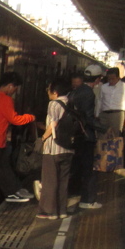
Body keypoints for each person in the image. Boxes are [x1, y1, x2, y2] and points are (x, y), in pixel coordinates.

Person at [0, 71, 35, 203]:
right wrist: (31, 117)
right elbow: (14, 119)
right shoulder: (5, 99)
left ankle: (13, 190)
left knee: (3, 167)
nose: (14, 91)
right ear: (10, 86)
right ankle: (11, 192)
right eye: (15, 88)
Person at [67, 65, 105, 209]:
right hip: (85, 136)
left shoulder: (75, 91)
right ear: (97, 79)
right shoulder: (89, 93)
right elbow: (88, 118)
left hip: (75, 134)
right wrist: (104, 128)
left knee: (75, 166)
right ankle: (87, 200)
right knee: (89, 168)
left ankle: (72, 192)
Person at [37, 80, 74, 219]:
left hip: (54, 148)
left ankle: (49, 212)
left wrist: (43, 138)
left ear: (55, 92)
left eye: (49, 90)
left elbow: (53, 125)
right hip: (69, 148)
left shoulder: (54, 104)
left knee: (50, 181)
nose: (48, 92)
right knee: (63, 181)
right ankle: (62, 211)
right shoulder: (71, 102)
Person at [98, 67, 125, 137]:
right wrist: (97, 113)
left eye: (113, 79)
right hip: (104, 113)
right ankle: (103, 148)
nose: (110, 81)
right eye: (109, 79)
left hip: (118, 114)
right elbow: (100, 100)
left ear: (118, 77)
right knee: (102, 135)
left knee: (115, 135)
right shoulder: (103, 87)